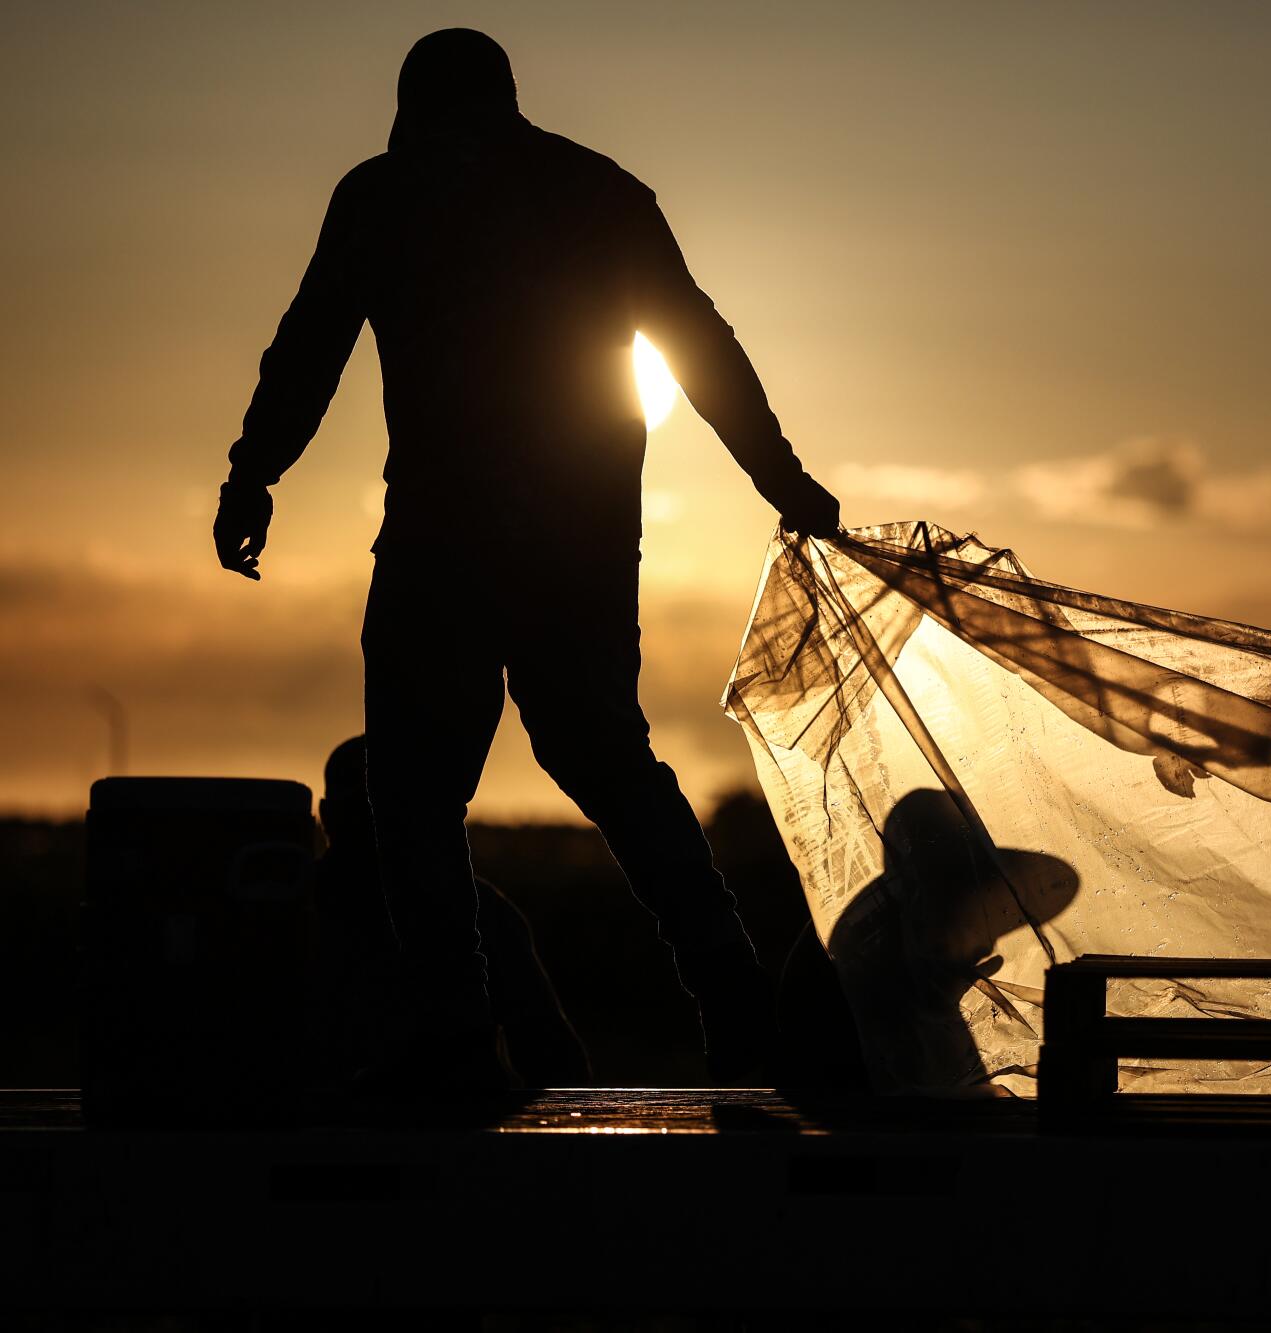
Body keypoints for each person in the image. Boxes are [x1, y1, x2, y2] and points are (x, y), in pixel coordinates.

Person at [213, 29, 839, 1089]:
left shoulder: (385, 193)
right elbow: (700, 343)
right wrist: (782, 480)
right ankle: (730, 994)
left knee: (414, 789)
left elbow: (308, 344)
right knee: (603, 760)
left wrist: (253, 472)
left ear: (414, 107)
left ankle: (457, 1030)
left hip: (442, 538)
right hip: (576, 537)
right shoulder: (601, 193)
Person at [314, 736, 591, 1089]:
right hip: (450, 1130)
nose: (374, 831)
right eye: (366, 815)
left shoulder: (284, 908)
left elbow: (554, 1060)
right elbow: (556, 1062)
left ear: (325, 816)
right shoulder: (482, 910)